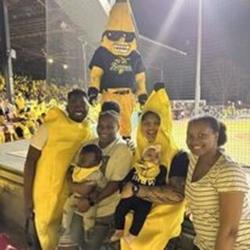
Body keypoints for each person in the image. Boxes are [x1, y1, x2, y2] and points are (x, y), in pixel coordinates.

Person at [120, 83, 189, 250]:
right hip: (132, 226)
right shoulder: (136, 152)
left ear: (164, 124)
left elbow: (177, 195)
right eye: (146, 122)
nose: (151, 128)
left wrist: (137, 190)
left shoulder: (178, 156)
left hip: (162, 232)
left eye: (157, 122)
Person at [23, 89, 93, 250]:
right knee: (41, 239)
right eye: (74, 103)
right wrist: (27, 200)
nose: (78, 107)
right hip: (43, 198)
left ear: (89, 106)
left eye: (82, 103)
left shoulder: (88, 131)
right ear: (66, 107)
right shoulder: (48, 128)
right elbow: (30, 162)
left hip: (69, 198)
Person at [62, 110, 132, 250]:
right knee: (75, 242)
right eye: (101, 126)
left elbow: (115, 183)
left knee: (92, 246)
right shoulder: (88, 144)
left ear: (118, 127)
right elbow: (72, 168)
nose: (104, 130)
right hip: (78, 206)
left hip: (104, 212)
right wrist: (73, 187)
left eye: (110, 127)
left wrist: (90, 201)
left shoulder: (122, 150)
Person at [185, 115, 250, 250]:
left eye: (202, 135)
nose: (194, 141)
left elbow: (230, 231)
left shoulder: (228, 172)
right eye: (190, 136)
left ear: (216, 135)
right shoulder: (194, 159)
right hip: (203, 244)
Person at [88, 0, 148, 139]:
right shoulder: (102, 52)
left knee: (126, 125)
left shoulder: (134, 55)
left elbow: (140, 78)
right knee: (108, 124)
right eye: (114, 36)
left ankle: (125, 146)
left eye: (127, 37)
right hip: (109, 95)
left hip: (127, 96)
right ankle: (106, 147)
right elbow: (96, 74)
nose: (121, 40)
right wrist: (93, 89)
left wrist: (142, 94)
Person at [111, 144, 167, 244]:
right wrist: (122, 189)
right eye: (149, 155)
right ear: (143, 156)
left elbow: (160, 185)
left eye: (156, 157)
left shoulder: (160, 171)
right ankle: (119, 229)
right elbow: (127, 179)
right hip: (130, 196)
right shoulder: (136, 168)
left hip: (145, 199)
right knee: (120, 209)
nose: (152, 158)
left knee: (140, 216)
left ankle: (132, 235)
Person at [58, 144, 107, 248]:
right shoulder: (78, 168)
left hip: (88, 199)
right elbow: (71, 172)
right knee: (66, 208)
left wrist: (72, 184)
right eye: (81, 160)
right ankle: (64, 227)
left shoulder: (96, 173)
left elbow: (96, 187)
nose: (82, 163)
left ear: (95, 163)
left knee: (89, 215)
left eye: (85, 162)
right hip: (75, 196)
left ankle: (88, 230)